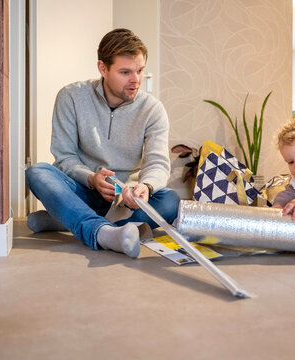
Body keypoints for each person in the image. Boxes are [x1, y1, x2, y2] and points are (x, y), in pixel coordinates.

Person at [25, 28, 180, 258]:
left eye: (140, 70)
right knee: (37, 172)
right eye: (125, 72)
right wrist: (91, 178)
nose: (136, 80)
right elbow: (64, 157)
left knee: (170, 200)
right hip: (83, 189)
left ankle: (70, 219)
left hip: (126, 200)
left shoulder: (152, 109)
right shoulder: (71, 97)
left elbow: (157, 162)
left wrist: (145, 187)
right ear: (102, 68)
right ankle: (102, 231)